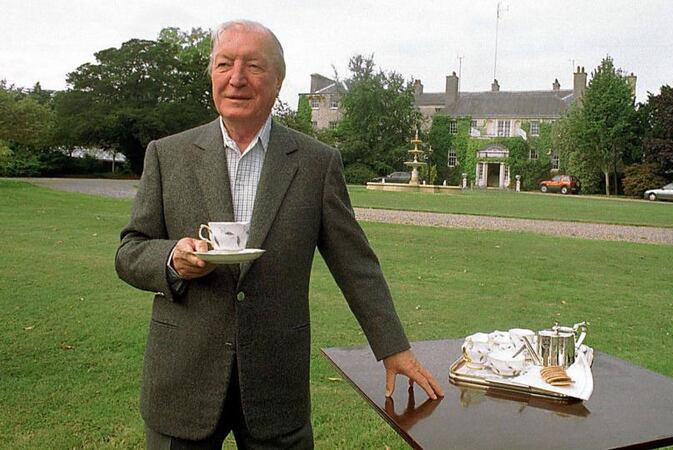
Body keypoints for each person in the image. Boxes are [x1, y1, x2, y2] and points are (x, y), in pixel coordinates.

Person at [115, 19, 443, 449]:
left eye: (253, 66)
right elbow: (129, 251)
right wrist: (171, 259)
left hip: (276, 386)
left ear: (278, 81)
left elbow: (356, 265)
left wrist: (393, 348)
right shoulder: (167, 155)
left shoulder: (315, 163)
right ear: (212, 75)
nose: (236, 78)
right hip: (182, 382)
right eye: (224, 64)